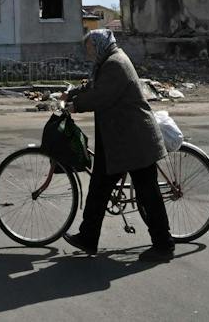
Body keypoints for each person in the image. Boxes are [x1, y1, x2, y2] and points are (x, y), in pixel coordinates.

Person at [59, 29, 172, 259]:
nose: (88, 52)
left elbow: (102, 96)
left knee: (147, 193)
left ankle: (164, 245)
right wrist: (70, 95)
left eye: (90, 47)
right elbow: (94, 87)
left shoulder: (115, 63)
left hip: (134, 140)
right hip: (119, 140)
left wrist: (76, 106)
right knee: (99, 188)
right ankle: (88, 237)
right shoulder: (107, 61)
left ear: (99, 45)